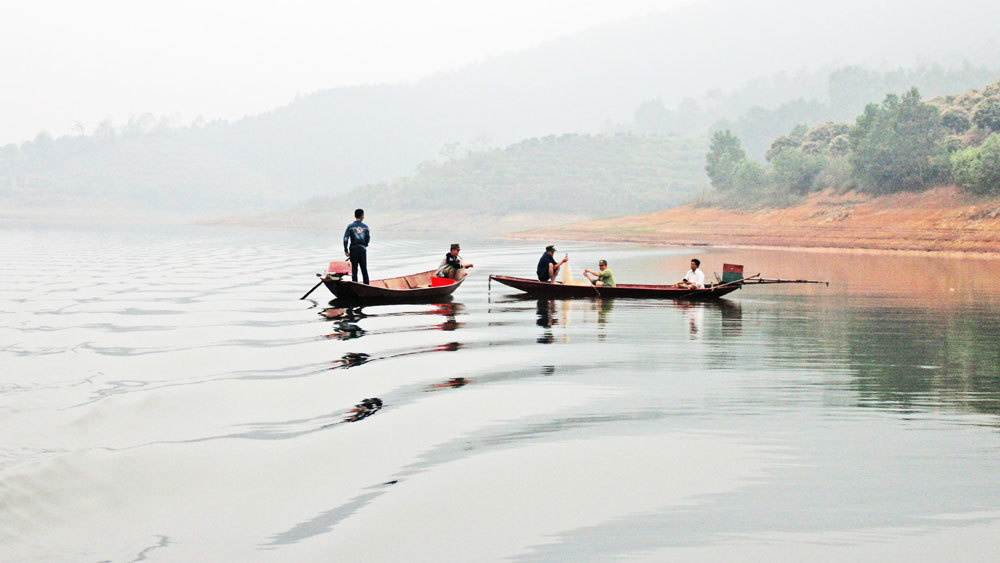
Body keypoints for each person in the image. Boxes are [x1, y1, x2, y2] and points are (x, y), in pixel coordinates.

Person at [343, 208, 370, 285]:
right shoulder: (366, 227)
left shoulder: (350, 226)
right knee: (364, 269)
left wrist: (346, 250)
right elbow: (368, 239)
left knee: (354, 270)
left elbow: (345, 239)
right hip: (362, 250)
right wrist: (365, 245)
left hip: (353, 250)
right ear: (362, 216)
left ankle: (355, 286)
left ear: (355, 216)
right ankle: (367, 286)